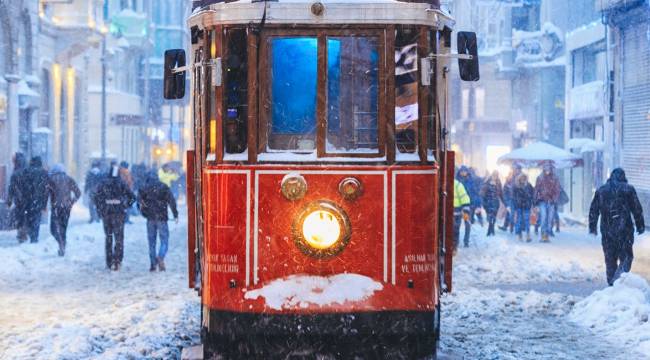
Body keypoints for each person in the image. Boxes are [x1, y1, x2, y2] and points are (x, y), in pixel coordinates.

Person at [589, 168, 645, 286]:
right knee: (626, 257)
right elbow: (637, 209)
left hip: (607, 231)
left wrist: (592, 227)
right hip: (624, 231)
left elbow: (593, 210)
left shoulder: (601, 190)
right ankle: (618, 281)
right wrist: (640, 225)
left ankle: (612, 284)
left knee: (610, 259)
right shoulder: (628, 189)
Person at [93, 164, 136, 271]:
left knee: (108, 237)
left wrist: (100, 209)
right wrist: (125, 206)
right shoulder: (121, 183)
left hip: (107, 214)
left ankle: (109, 261)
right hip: (119, 214)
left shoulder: (103, 183)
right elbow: (132, 197)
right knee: (119, 238)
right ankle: (117, 261)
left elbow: (95, 197)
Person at [138, 171, 179, 271]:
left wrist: (144, 213)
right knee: (164, 240)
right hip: (162, 217)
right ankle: (160, 256)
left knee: (152, 242)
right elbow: (171, 201)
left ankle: (153, 264)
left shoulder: (144, 188)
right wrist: (175, 214)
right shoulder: (163, 186)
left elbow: (139, 202)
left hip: (150, 218)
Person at [48, 164, 81, 256]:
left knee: (53, 229)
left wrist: (46, 205)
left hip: (56, 207)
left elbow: (47, 193)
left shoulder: (51, 179)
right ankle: (63, 245)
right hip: (66, 208)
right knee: (63, 228)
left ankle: (61, 243)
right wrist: (71, 202)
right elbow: (78, 193)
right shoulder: (69, 179)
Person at [20, 157, 49, 243]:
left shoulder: (26, 171)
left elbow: (23, 187)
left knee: (29, 218)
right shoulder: (44, 173)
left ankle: (31, 234)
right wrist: (44, 204)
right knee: (37, 219)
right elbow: (46, 190)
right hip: (39, 201)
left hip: (28, 201)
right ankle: (34, 237)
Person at [534, 163, 560, 242]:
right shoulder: (540, 178)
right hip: (542, 200)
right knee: (543, 217)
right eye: (546, 167)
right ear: (544, 168)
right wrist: (535, 201)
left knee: (550, 219)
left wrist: (554, 199)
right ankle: (543, 234)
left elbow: (557, 190)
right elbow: (536, 189)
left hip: (551, 201)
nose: (547, 169)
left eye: (549, 167)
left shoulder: (555, 178)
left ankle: (547, 234)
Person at [7, 152, 27, 242]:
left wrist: (9, 201)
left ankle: (21, 234)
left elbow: (11, 188)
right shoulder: (27, 171)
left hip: (19, 199)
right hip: (28, 198)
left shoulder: (15, 173)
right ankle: (24, 233)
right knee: (25, 216)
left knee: (19, 216)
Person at [500, 164, 522, 233]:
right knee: (510, 212)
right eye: (514, 169)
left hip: (519, 199)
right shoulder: (510, 178)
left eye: (516, 169)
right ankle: (508, 226)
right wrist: (506, 199)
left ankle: (517, 227)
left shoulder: (521, 178)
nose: (515, 170)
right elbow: (505, 189)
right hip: (511, 199)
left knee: (518, 214)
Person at [512, 173, 534, 242]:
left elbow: (532, 195)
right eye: (522, 179)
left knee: (527, 221)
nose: (523, 180)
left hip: (526, 206)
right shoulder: (516, 186)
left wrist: (531, 204)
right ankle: (520, 234)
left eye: (524, 179)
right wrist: (515, 206)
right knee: (519, 221)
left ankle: (528, 235)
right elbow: (513, 197)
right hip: (519, 206)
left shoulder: (529, 186)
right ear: (519, 179)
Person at [480, 171, 503, 236]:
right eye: (494, 176)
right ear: (492, 175)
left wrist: (505, 203)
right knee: (490, 216)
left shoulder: (498, 183)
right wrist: (482, 201)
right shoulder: (487, 182)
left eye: (496, 176)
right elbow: (482, 192)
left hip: (495, 202)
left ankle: (492, 228)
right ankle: (490, 228)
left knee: (494, 216)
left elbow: (501, 193)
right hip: (488, 202)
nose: (495, 177)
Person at [453, 179, 471, 251]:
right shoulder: (458, 185)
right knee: (454, 230)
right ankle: (453, 246)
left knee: (454, 230)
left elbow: (465, 199)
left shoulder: (457, 185)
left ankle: (454, 247)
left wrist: (466, 212)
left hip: (456, 213)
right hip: (454, 213)